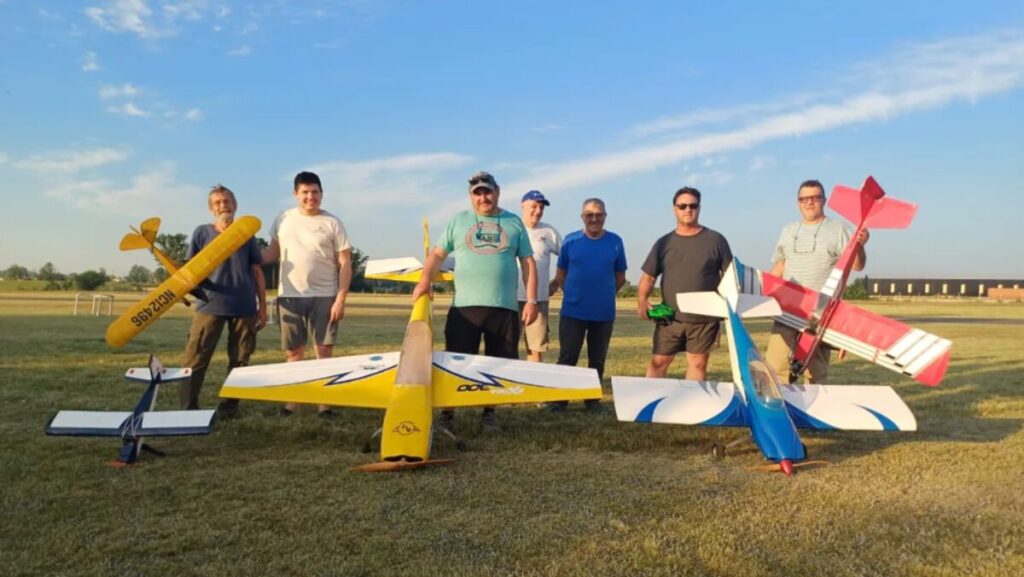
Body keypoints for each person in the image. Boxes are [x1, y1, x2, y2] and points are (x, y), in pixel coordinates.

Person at [412, 170, 537, 432]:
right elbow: (437, 255)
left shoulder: (514, 222)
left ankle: (489, 412)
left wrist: (532, 300)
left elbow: (527, 262)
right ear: (471, 196)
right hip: (465, 307)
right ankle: (448, 413)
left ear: (497, 192)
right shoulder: (459, 221)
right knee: (456, 361)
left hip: (504, 307)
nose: (483, 198)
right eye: (477, 193)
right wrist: (424, 281)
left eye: (487, 192)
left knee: (497, 362)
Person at [263, 171, 353, 417]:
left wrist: (340, 299)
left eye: (315, 192)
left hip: (325, 295)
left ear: (322, 194)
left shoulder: (333, 222)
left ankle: (324, 406)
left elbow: (345, 263)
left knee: (323, 352)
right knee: (293, 353)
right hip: (290, 296)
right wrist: (243, 256)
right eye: (305, 192)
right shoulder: (283, 219)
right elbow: (271, 253)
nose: (310, 197)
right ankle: (292, 403)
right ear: (295, 194)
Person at [764, 179, 868, 383]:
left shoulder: (839, 229)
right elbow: (780, 266)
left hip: (821, 312)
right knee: (775, 368)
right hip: (787, 309)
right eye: (804, 199)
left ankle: (812, 403)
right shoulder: (788, 230)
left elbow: (857, 265)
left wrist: (860, 245)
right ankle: (781, 403)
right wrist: (762, 292)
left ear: (824, 200)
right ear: (798, 203)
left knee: (815, 374)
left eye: (815, 198)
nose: (809, 202)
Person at [180, 184, 267, 417]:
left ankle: (229, 408)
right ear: (211, 208)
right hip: (209, 305)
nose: (223, 206)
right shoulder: (201, 233)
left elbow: (257, 271)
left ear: (235, 205)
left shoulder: (246, 232)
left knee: (240, 359)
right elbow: (189, 270)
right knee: (196, 357)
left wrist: (262, 307)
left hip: (244, 305)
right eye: (217, 203)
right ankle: (188, 408)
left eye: (227, 201)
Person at [638, 187, 732, 381]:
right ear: (675, 209)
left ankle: (692, 399)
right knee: (659, 361)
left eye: (693, 206)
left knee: (698, 363)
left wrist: (729, 305)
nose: (688, 210)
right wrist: (642, 299)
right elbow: (648, 276)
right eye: (682, 206)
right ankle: (651, 399)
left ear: (699, 208)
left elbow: (730, 276)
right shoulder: (664, 243)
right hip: (670, 317)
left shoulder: (716, 240)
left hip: (705, 318)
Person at [549, 198, 626, 412]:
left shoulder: (616, 242)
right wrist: (573, 294)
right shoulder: (570, 241)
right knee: (568, 356)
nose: (594, 219)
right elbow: (560, 274)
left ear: (605, 216)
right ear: (582, 217)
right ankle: (559, 401)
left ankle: (592, 401)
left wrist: (604, 294)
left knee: (597, 359)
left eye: (598, 215)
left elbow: (620, 277)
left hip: (603, 312)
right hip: (573, 311)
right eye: (589, 215)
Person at [517, 190, 562, 362]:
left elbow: (567, 258)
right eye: (534, 206)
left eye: (541, 208)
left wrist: (556, 282)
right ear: (523, 206)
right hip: (510, 298)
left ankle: (532, 378)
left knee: (535, 349)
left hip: (539, 299)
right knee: (507, 346)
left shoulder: (548, 231)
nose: (538, 211)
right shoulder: (512, 228)